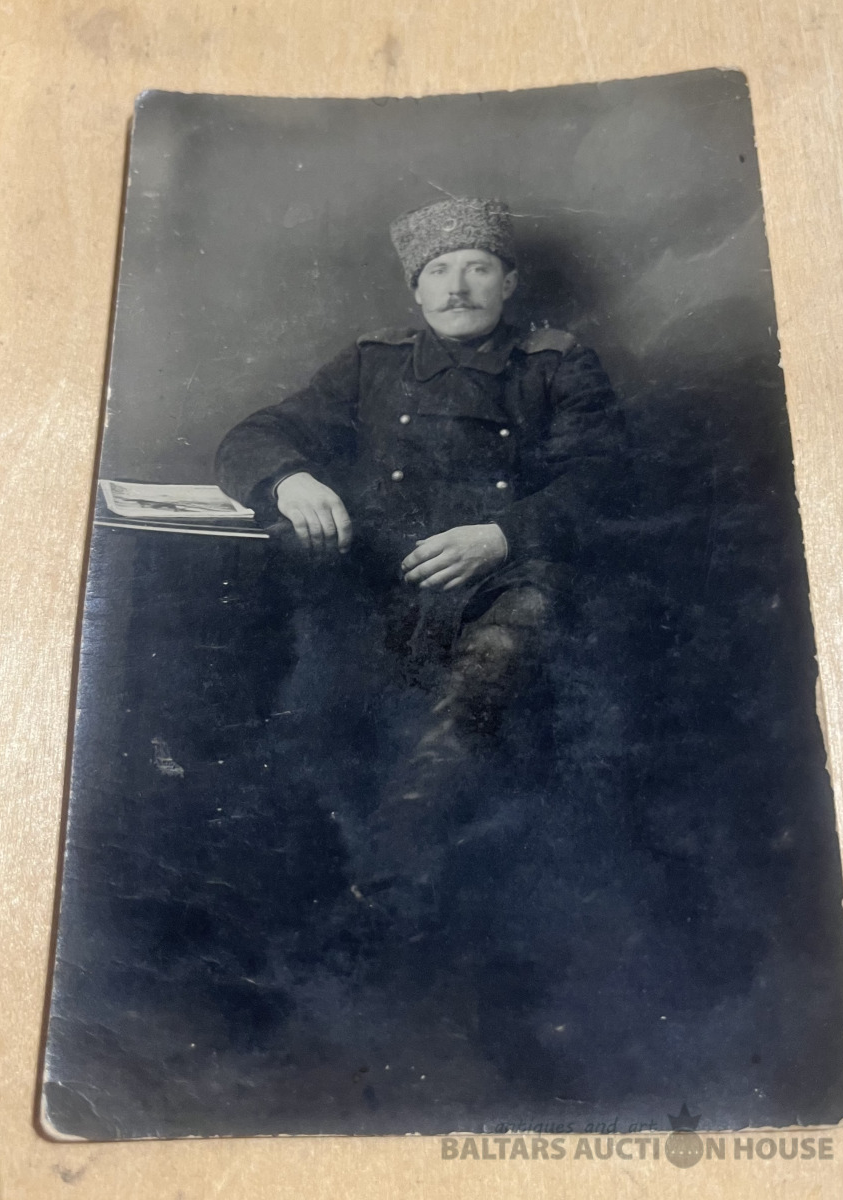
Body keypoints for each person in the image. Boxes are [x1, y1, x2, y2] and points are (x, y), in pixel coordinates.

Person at [216, 196, 625, 926]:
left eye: (477, 268)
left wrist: (502, 534)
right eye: (438, 271)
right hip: (382, 582)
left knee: (490, 672)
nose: (457, 287)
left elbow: (604, 479)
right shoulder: (373, 362)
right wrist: (288, 478)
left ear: (509, 282)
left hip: (505, 581)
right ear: (416, 289)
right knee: (306, 704)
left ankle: (385, 891)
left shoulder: (555, 364)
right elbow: (256, 433)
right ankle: (287, 887)